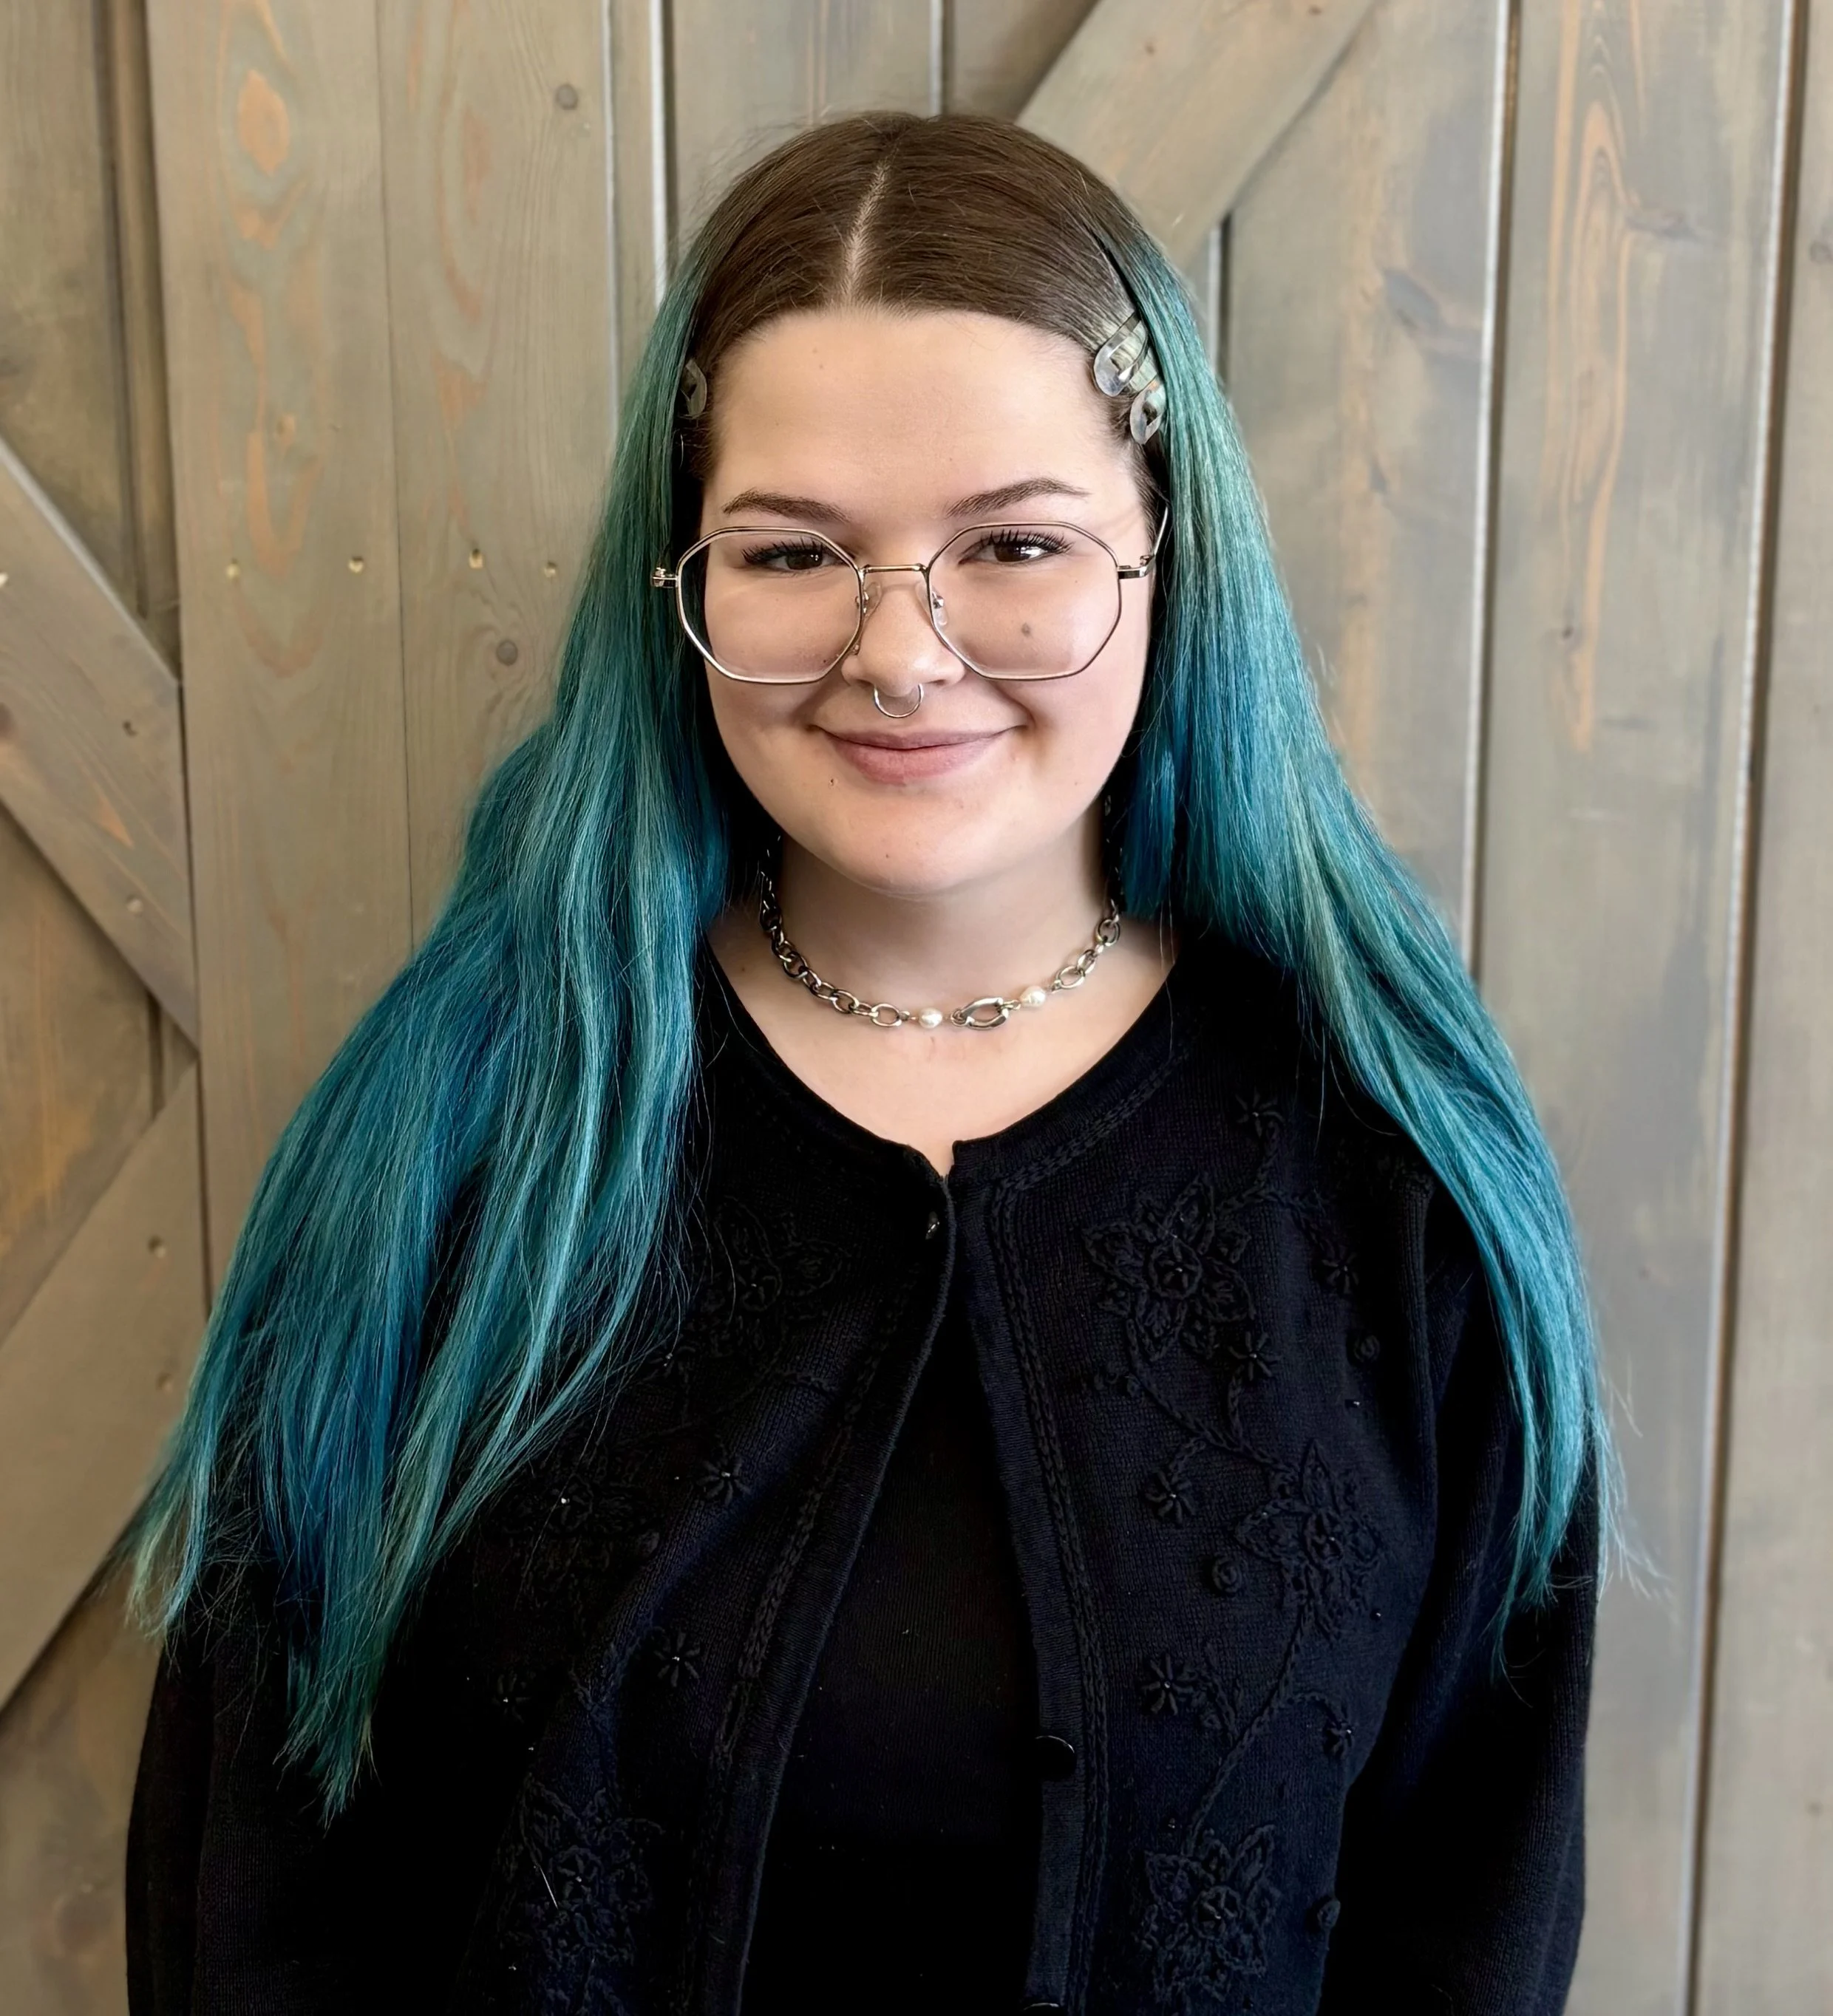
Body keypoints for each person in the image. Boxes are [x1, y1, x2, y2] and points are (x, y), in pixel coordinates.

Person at [120, 110, 1617, 2016]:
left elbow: (1472, 1913)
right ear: (681, 583)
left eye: (1016, 544)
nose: (899, 652)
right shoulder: (452, 1146)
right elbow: (250, 1904)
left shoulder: (1393, 1186)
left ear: (1171, 563)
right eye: (792, 551)